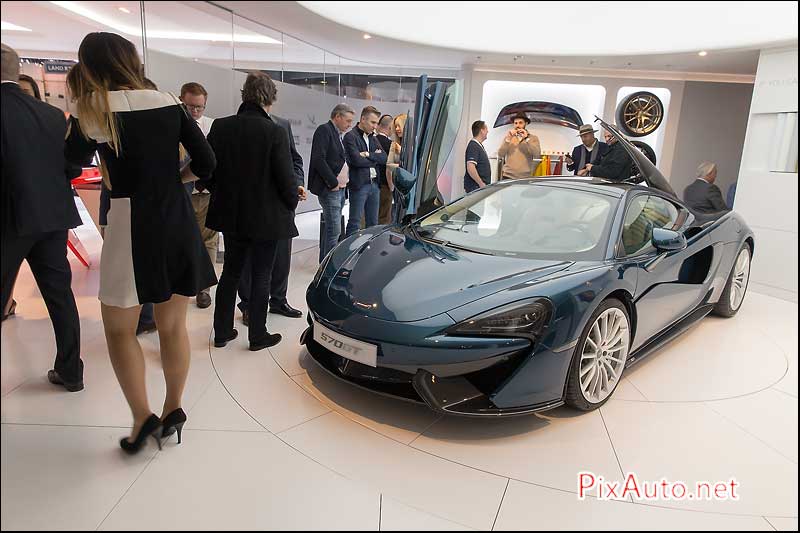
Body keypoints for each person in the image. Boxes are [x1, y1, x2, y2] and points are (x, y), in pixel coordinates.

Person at [64, 33, 217, 453]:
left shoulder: (91, 108)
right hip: (176, 218)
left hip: (131, 222)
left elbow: (70, 160)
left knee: (118, 329)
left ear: (91, 65)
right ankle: (173, 409)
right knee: (173, 326)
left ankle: (141, 416)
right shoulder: (169, 101)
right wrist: (176, 181)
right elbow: (206, 163)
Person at [2, 43, 84, 392]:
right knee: (60, 296)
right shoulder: (52, 116)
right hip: (51, 217)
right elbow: (72, 167)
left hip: (8, 218)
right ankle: (71, 371)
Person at [204, 72, 299, 351]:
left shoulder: (221, 127)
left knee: (231, 272)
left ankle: (222, 332)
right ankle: (257, 334)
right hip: (266, 218)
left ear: (245, 94)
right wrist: (290, 202)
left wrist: (221, 191)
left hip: (231, 215)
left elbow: (207, 170)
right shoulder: (274, 131)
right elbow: (286, 179)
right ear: (270, 97)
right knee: (261, 274)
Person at [84, 72, 159, 335]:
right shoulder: (115, 134)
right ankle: (143, 317)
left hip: (154, 216)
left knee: (150, 278)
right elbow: (109, 182)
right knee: (131, 280)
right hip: (131, 214)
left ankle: (146, 317)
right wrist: (105, 217)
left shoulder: (163, 135)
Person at [237, 83, 307, 325]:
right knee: (247, 259)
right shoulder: (235, 125)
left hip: (281, 204)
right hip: (249, 206)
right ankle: (248, 305)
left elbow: (295, 160)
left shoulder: (282, 125)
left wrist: (297, 183)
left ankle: (278, 300)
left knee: (281, 256)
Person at [179, 82, 217, 309]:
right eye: (190, 106)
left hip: (208, 193)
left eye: (199, 107)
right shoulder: (173, 125)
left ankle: (204, 289)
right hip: (183, 193)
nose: (195, 112)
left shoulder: (212, 126)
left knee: (210, 241)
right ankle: (184, 286)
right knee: (183, 241)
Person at [309, 103, 354, 262]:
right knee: (334, 231)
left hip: (340, 190)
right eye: (347, 121)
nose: (350, 125)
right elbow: (318, 159)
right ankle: (329, 266)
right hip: (330, 189)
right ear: (337, 117)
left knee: (331, 229)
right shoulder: (324, 130)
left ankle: (324, 263)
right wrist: (333, 182)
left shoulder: (338, 135)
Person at [344, 106, 387, 237]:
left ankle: (369, 253)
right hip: (359, 185)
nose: (375, 126)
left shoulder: (373, 138)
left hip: (374, 185)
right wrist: (375, 157)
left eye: (376, 123)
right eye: (372, 122)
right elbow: (356, 161)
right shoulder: (350, 137)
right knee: (355, 223)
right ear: (363, 119)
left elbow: (384, 158)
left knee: (373, 224)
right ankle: (349, 253)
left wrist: (368, 154)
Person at [497, 113, 541, 180]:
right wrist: (508, 139)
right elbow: (500, 154)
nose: (517, 125)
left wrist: (526, 139)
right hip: (508, 176)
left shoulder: (533, 138)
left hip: (525, 177)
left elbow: (537, 154)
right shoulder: (509, 138)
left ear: (525, 124)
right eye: (516, 123)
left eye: (520, 123)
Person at [385, 114, 407, 221]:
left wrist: (402, 151)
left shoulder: (415, 144)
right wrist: (402, 167)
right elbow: (388, 164)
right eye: (395, 126)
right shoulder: (394, 145)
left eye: (399, 126)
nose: (397, 129)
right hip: (398, 185)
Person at [464, 120, 491, 193]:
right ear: (481, 130)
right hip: (475, 187)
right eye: (486, 129)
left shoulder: (478, 145)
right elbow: (470, 167)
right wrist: (481, 183)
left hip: (478, 187)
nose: (487, 131)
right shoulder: (473, 146)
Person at [376, 114, 394, 224]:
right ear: (390, 127)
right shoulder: (391, 145)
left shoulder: (371, 140)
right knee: (384, 217)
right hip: (386, 185)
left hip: (373, 183)